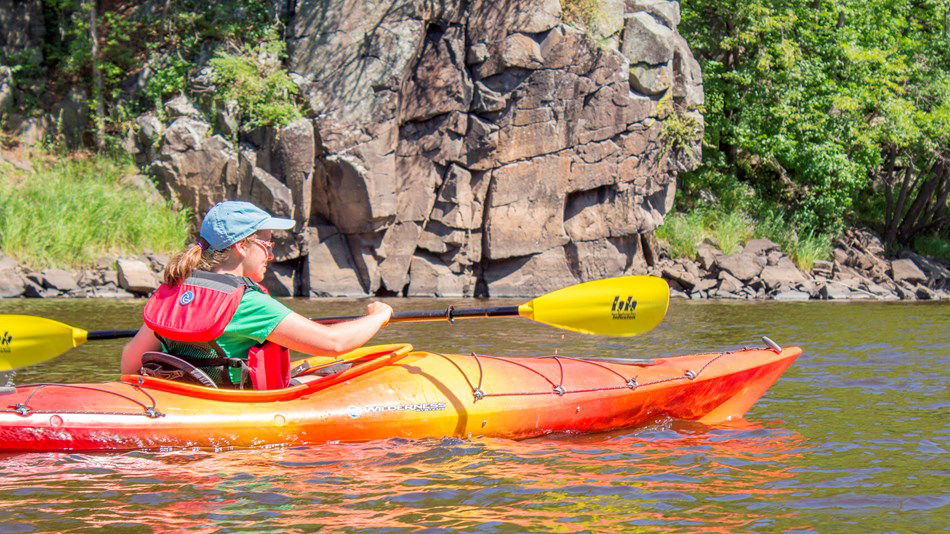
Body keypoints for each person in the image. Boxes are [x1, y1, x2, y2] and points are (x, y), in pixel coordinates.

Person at [121, 201, 392, 389]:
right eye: (266, 243)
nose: (271, 254)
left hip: (182, 397)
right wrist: (379, 316)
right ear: (241, 245)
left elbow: (130, 364)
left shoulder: (175, 291)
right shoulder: (248, 302)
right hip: (229, 405)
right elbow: (333, 343)